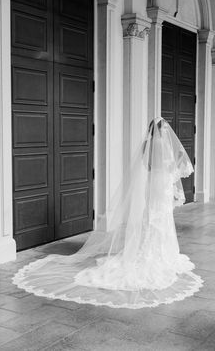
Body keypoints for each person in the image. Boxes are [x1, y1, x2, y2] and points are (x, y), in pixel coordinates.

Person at [13, 117, 203, 309]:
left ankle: (147, 249)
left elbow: (146, 166)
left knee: (151, 215)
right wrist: (170, 172)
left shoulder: (147, 143)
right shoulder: (165, 145)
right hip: (162, 185)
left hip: (152, 183)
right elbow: (173, 166)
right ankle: (161, 252)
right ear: (164, 130)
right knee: (161, 218)